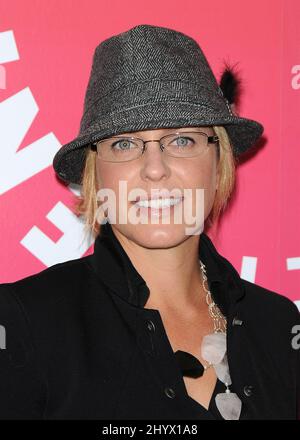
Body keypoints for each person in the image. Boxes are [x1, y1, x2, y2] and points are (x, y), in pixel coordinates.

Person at [0, 24, 299, 420]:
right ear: (96, 172)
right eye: (124, 143)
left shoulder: (279, 325)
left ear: (218, 163)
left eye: (182, 140)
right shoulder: (23, 321)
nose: (155, 169)